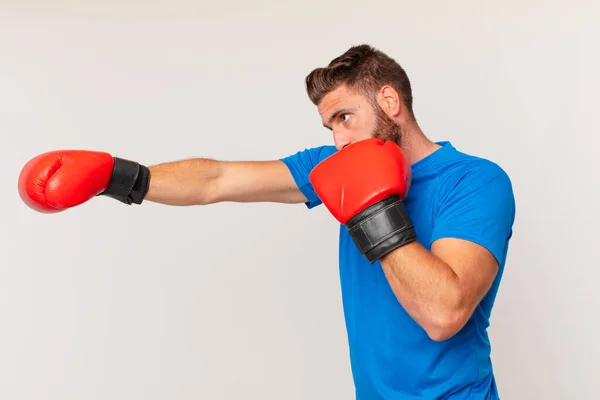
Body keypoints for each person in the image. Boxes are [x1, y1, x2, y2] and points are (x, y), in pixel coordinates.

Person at [18, 44, 516, 399]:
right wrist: (120, 176)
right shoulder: (332, 167)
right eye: (329, 126)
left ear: (389, 101)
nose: (338, 140)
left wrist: (372, 206)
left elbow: (443, 314)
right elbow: (217, 180)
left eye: (345, 116)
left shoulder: (474, 181)